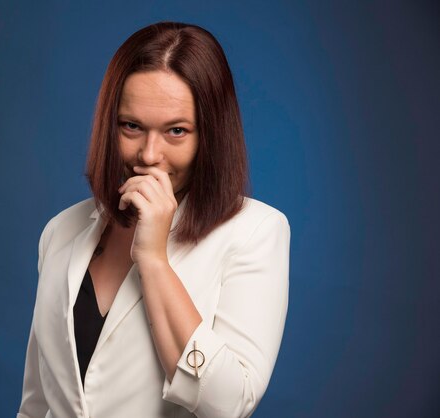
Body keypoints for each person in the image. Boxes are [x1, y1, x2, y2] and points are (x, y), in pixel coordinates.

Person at [16, 21, 290, 418]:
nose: (148, 154)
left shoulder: (255, 231)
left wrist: (154, 260)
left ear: (209, 136)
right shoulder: (61, 231)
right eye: (132, 126)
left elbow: (229, 405)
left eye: (176, 131)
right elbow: (36, 404)